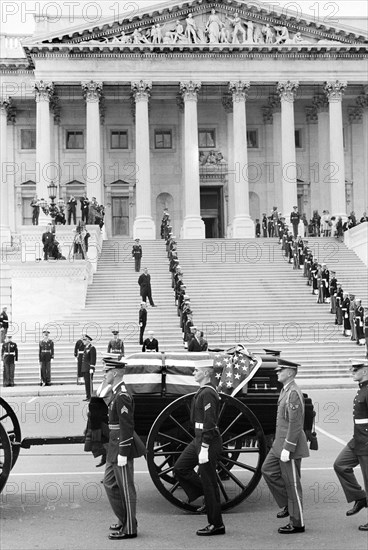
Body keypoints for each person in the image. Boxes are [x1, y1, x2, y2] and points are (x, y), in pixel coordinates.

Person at [173, 360, 225, 536]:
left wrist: (204, 447)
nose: (193, 373)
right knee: (180, 467)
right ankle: (205, 494)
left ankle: (216, 524)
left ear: (206, 373)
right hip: (199, 439)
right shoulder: (203, 391)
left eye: (197, 370)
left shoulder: (208, 393)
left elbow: (210, 423)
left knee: (211, 484)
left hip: (207, 442)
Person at [261, 358, 309, 534]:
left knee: (292, 484)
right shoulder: (286, 390)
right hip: (279, 444)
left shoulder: (293, 393)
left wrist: (288, 448)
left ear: (290, 372)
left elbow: (295, 424)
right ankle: (289, 505)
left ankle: (298, 523)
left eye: (280, 370)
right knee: (267, 470)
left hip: (289, 445)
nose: (277, 372)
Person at [103, 361, 146, 540]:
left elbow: (127, 426)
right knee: (109, 483)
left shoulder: (122, 395)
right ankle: (125, 519)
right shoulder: (116, 393)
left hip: (121, 445)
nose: (104, 374)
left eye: (106, 371)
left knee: (126, 488)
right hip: (114, 445)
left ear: (114, 373)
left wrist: (123, 452)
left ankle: (129, 528)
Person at [334, 360, 368, 531]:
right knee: (340, 465)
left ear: (366, 370)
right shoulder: (363, 389)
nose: (352, 371)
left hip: (367, 442)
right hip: (358, 440)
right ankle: (360, 497)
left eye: (356, 369)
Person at [81, 334, 96, 401]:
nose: (83, 341)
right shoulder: (86, 348)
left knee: (89, 383)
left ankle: (91, 397)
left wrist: (92, 368)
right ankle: (88, 396)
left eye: (85, 340)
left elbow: (93, 359)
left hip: (89, 368)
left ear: (88, 340)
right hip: (85, 368)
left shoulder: (92, 348)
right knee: (86, 383)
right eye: (83, 340)